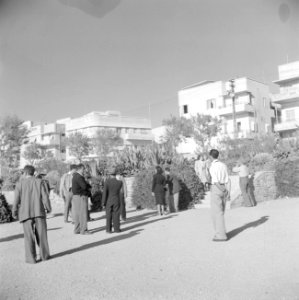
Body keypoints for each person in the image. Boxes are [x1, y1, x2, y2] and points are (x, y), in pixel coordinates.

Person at [12, 165, 51, 264]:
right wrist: (48, 208)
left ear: (24, 173)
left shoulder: (19, 184)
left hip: (25, 213)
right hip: (39, 212)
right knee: (42, 235)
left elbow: (16, 200)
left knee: (28, 236)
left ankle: (31, 258)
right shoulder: (39, 182)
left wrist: (14, 211)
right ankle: (45, 256)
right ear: (34, 172)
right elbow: (45, 197)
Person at [209, 149, 230, 242]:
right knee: (221, 211)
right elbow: (227, 179)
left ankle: (220, 235)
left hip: (217, 188)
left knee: (217, 213)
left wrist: (222, 189)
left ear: (210, 156)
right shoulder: (223, 165)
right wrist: (227, 190)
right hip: (224, 187)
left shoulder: (212, 166)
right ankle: (221, 232)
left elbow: (215, 181)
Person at [72, 164, 92, 235]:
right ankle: (84, 230)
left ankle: (77, 229)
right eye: (83, 169)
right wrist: (88, 185)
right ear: (80, 169)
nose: (84, 170)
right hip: (81, 196)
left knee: (77, 214)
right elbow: (84, 186)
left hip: (76, 196)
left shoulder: (75, 176)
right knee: (83, 214)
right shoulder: (79, 177)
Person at [102, 168, 123, 233]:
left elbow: (105, 193)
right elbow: (120, 191)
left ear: (110, 174)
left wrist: (103, 202)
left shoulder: (107, 182)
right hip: (116, 199)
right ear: (115, 174)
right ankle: (117, 229)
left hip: (109, 200)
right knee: (116, 214)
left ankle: (108, 229)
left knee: (108, 215)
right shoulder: (120, 182)